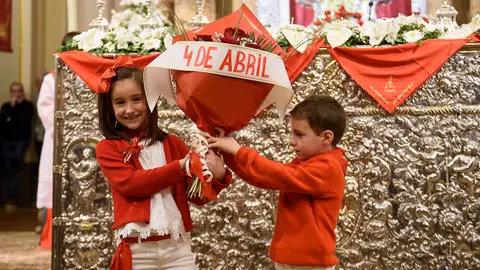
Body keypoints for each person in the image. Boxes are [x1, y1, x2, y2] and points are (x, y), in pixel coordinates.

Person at [95, 64, 232, 270]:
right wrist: (181, 167)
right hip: (137, 250)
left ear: (150, 99)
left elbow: (196, 196)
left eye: (137, 99)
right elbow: (132, 184)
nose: (130, 109)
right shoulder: (108, 148)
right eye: (120, 102)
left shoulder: (173, 143)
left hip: (177, 249)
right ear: (110, 107)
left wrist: (217, 174)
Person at [208, 95, 348, 270]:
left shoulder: (328, 168)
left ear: (326, 137)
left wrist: (238, 150)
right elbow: (263, 177)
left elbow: (278, 174)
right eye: (292, 133)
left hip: (310, 264)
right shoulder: (306, 165)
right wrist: (228, 152)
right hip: (293, 261)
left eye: (299, 134)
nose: (291, 141)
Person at [36, 31, 80, 248]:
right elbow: (45, 108)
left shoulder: (88, 75)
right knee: (58, 185)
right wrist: (66, 126)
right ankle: (52, 237)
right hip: (59, 139)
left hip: (84, 142)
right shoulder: (52, 78)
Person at [0, 82, 34, 212]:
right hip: (6, 141)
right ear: (11, 92)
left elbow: (23, 122)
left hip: (21, 140)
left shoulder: (27, 106)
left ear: (22, 92)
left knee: (15, 164)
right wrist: (11, 111)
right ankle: (11, 199)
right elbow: (3, 123)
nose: (16, 93)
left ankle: (18, 197)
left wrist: (11, 116)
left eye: (19, 91)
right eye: (14, 91)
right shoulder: (6, 106)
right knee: (9, 168)